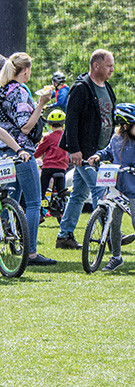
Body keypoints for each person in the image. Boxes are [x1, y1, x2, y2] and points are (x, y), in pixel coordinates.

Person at [86, 103, 135, 273]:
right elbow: (108, 152)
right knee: (114, 222)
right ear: (125, 125)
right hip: (118, 186)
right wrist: (98, 155)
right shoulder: (116, 139)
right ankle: (116, 257)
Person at [56, 49, 116, 250]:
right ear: (96, 65)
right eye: (109, 66)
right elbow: (71, 120)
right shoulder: (81, 88)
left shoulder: (106, 87)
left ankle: (64, 236)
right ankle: (109, 235)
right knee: (100, 187)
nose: (112, 69)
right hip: (84, 152)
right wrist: (74, 149)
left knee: (79, 194)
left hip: (99, 151)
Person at [0, 52, 57, 265]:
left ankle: (11, 240)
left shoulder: (2, 90)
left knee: (9, 199)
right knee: (33, 202)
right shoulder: (20, 92)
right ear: (25, 70)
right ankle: (31, 252)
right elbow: (25, 125)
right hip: (21, 151)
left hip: (3, 152)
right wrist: (41, 103)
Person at [34, 109, 69, 219]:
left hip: (48, 168)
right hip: (62, 168)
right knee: (61, 191)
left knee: (41, 190)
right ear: (63, 123)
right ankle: (61, 211)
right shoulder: (66, 136)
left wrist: (32, 156)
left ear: (49, 124)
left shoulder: (48, 138)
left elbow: (39, 152)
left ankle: (40, 213)